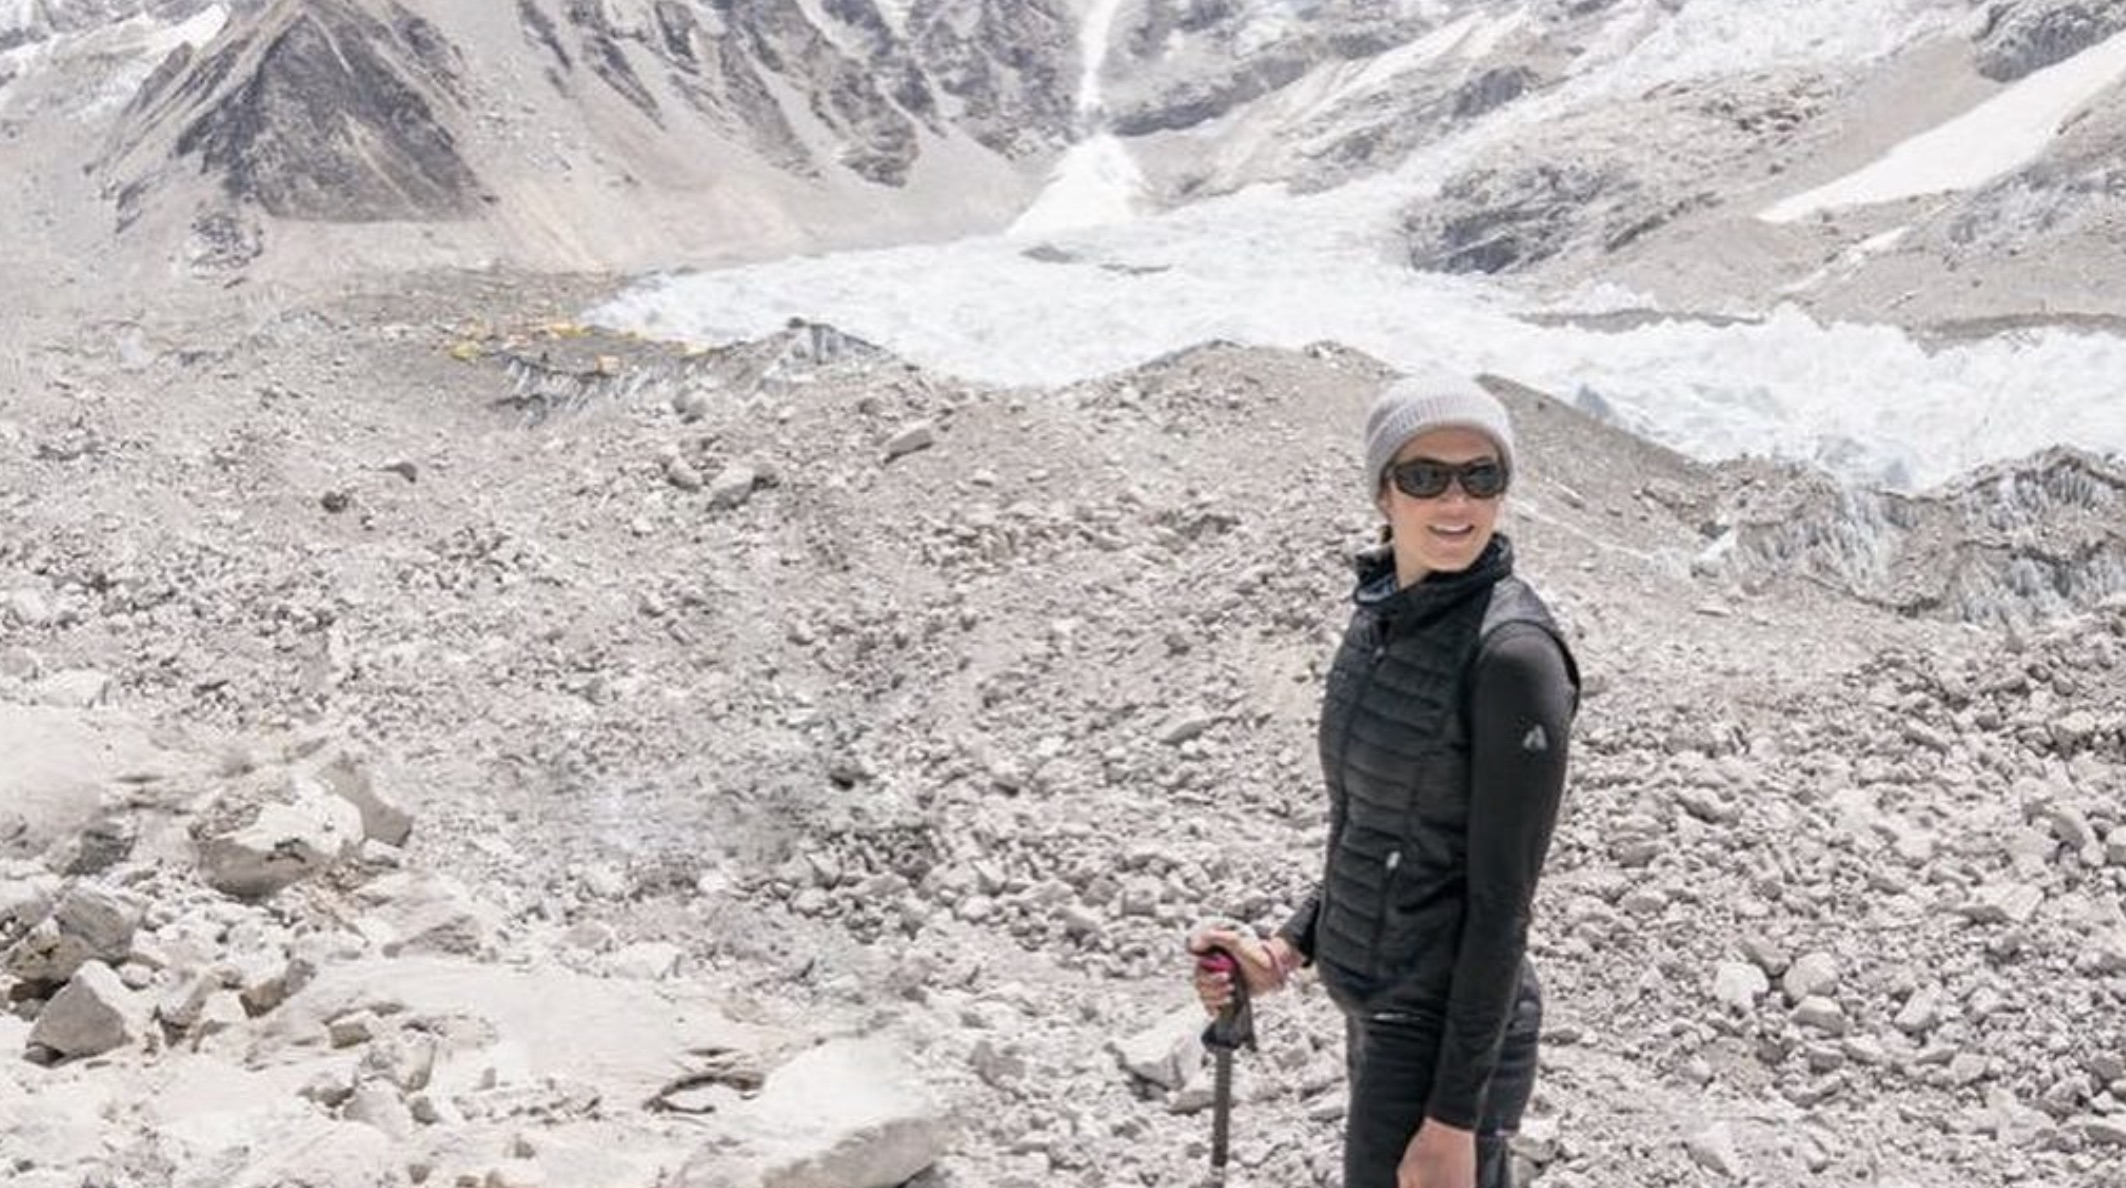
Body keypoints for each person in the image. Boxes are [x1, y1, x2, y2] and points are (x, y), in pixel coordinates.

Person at [1190, 370, 1580, 1188]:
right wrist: (1287, 948)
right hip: (1384, 1007)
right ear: (1383, 491)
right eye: (1425, 476)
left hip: (1446, 1045)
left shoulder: (1514, 657)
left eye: (1481, 476)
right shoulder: (1383, 619)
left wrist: (1453, 1123)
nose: (1456, 501)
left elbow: (1502, 905)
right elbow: (1376, 828)